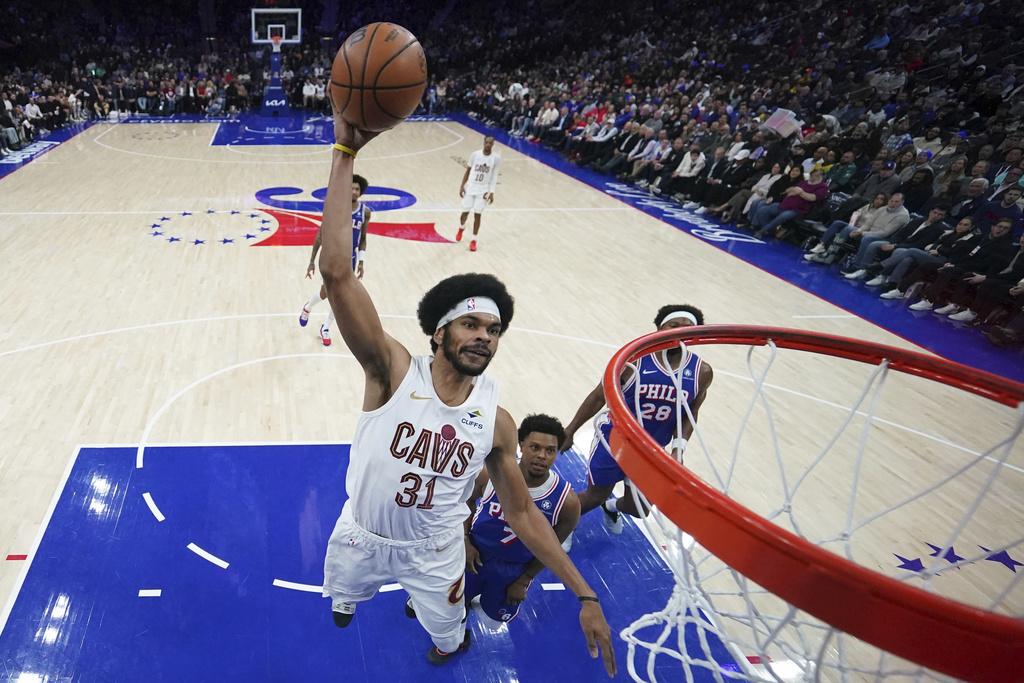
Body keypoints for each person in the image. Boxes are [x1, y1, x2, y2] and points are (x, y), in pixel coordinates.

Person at [318, 111, 614, 673]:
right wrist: (344, 153)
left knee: (448, 633)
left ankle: (446, 642)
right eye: (471, 324)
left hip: (435, 553)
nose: (484, 336)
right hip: (361, 533)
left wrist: (585, 593)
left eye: (494, 330)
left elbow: (523, 513)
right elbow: (337, 273)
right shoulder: (391, 371)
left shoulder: (496, 421)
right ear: (439, 333)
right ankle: (348, 598)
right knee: (343, 597)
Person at [407, 414, 580, 625]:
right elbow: (465, 503)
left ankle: (473, 604)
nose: (542, 456)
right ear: (521, 444)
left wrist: (525, 579)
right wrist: (465, 540)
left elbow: (553, 549)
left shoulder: (567, 502)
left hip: (513, 570)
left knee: (492, 622)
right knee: (448, 611)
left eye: (550, 450)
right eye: (535, 447)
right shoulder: (489, 474)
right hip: (473, 554)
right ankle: (453, 628)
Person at [561, 305, 713, 534]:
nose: (679, 332)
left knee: (639, 509)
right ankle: (559, 528)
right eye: (673, 326)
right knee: (595, 495)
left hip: (652, 449)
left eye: (687, 328)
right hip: (615, 442)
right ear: (659, 328)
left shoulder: (702, 372)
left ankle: (611, 507)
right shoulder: (633, 361)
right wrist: (570, 430)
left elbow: (691, 412)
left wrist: (679, 449)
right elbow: (598, 397)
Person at [300, 174, 371, 346]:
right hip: (332, 257)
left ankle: (325, 327)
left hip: (350, 259)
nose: (354, 191)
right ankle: (308, 307)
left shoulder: (365, 212)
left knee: (342, 297)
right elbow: (320, 235)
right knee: (326, 292)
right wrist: (311, 261)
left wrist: (361, 262)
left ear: (361, 192)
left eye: (357, 189)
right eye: (351, 188)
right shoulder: (335, 209)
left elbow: (363, 238)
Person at [457, 135, 502, 252]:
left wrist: (492, 192)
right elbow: (468, 171)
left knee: (478, 214)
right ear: (483, 142)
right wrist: (462, 185)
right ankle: (461, 227)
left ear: (493, 144)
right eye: (486, 142)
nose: (488, 145)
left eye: (490, 143)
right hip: (471, 187)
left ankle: (474, 240)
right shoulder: (475, 155)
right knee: (464, 213)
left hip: (483, 189)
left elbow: (494, 176)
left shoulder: (496, 159)